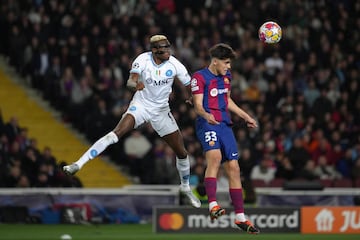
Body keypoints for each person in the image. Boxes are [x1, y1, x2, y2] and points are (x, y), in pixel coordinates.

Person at [63, 35, 201, 208]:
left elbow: (190, 85)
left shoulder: (175, 64)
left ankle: (185, 188)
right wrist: (134, 86)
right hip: (141, 105)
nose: (167, 50)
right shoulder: (142, 60)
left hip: (161, 110)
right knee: (116, 133)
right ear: (154, 50)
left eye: (168, 47)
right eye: (163, 48)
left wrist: (191, 97)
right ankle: (78, 164)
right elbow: (131, 81)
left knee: (181, 152)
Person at [191, 43, 260, 233]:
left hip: (225, 125)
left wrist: (246, 116)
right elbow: (197, 105)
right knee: (215, 158)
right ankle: (213, 205)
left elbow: (227, 100)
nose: (229, 67)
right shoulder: (199, 77)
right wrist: (206, 115)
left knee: (234, 168)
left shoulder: (227, 77)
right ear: (215, 61)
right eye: (226, 63)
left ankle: (240, 217)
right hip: (207, 123)